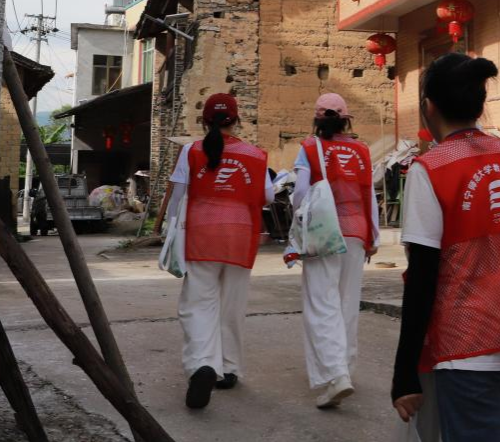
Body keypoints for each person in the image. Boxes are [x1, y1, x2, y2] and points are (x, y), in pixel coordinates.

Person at [392, 53, 500, 442]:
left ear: (429, 106)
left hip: (469, 349)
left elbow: (423, 277)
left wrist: (404, 373)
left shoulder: (430, 169)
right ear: (480, 105)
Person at [156, 93, 272, 411]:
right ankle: (229, 368)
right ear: (236, 120)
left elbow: (178, 197)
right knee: (232, 305)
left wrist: (170, 233)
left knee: (197, 305)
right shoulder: (255, 155)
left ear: (204, 120)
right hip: (240, 236)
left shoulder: (192, 151)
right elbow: (267, 196)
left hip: (201, 236)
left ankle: (203, 364)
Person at [290, 92, 380, 408]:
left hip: (323, 232)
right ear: (346, 120)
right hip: (356, 231)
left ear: (317, 119)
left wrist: (299, 221)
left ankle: (335, 374)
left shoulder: (310, 148)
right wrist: (373, 237)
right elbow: (369, 196)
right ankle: (346, 367)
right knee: (347, 303)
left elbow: (300, 192)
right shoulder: (362, 150)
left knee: (321, 303)